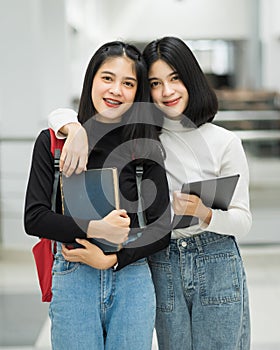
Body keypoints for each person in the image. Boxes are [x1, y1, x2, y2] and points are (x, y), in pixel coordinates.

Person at [48, 36, 252, 350]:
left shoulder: (224, 142)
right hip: (162, 256)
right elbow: (64, 113)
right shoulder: (144, 133)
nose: (166, 91)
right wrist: (72, 128)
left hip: (215, 256)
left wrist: (204, 213)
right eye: (155, 83)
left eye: (175, 78)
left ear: (191, 80)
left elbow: (242, 221)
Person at [24, 41, 171, 350]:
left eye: (128, 83)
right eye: (107, 78)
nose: (116, 90)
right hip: (73, 275)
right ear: (91, 78)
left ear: (137, 92)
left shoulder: (145, 146)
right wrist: (96, 229)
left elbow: (161, 229)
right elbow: (35, 218)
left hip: (132, 279)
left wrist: (113, 259)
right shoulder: (54, 143)